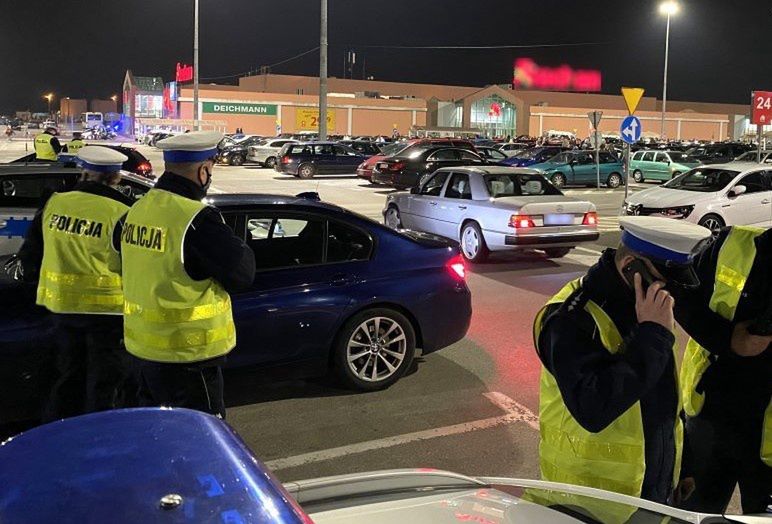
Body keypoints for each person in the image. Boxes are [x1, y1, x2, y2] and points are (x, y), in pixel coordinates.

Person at [533, 216, 713, 505]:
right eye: (665, 281)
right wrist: (653, 335)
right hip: (590, 502)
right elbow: (592, 409)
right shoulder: (571, 318)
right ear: (631, 268)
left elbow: (664, 399)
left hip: (650, 492)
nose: (672, 293)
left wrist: (682, 468)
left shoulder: (645, 307)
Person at [119, 131, 255, 418]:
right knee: (198, 443)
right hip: (187, 356)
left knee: (158, 433)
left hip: (142, 353)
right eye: (211, 169)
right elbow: (242, 275)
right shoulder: (195, 219)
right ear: (203, 170)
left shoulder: (137, 210)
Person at [16, 146, 135, 422]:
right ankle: (98, 441)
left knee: (68, 376)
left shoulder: (56, 202)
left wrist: (38, 291)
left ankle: (60, 434)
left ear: (84, 172)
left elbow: (31, 254)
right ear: (116, 177)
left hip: (62, 308)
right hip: (108, 315)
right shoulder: (123, 211)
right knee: (104, 384)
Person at [673, 226, 771, 514]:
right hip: (711, 417)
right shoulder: (732, 243)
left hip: (767, 437)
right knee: (696, 514)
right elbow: (682, 295)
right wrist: (730, 339)